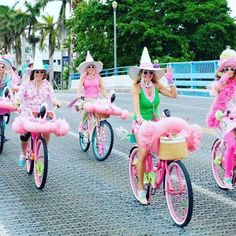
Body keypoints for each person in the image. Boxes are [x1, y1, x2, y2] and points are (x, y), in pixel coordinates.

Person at [129, 47, 177, 205]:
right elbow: (136, 107)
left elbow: (173, 95)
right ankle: (141, 188)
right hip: (141, 123)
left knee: (169, 145)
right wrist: (140, 118)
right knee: (143, 153)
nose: (148, 75)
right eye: (145, 73)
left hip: (156, 122)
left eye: (151, 73)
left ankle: (162, 170)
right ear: (140, 73)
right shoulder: (137, 88)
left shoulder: (156, 86)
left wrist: (171, 80)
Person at [17, 50, 61, 167]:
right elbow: (19, 96)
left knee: (47, 129)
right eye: (37, 72)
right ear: (33, 73)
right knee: (24, 136)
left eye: (42, 72)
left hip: (42, 112)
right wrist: (16, 101)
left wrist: (56, 102)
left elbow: (52, 96)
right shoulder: (26, 84)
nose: (39, 74)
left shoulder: (47, 84)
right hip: (28, 112)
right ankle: (23, 153)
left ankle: (43, 150)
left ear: (44, 73)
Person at [206, 47, 236, 190]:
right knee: (231, 145)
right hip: (225, 118)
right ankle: (227, 177)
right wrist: (224, 78)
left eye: (232, 68)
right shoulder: (220, 83)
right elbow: (213, 92)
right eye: (226, 68)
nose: (229, 71)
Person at [76, 51, 108, 131]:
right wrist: (79, 94)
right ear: (86, 69)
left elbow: (102, 89)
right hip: (86, 99)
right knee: (87, 107)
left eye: (93, 66)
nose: (91, 68)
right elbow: (79, 88)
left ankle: (97, 132)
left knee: (102, 111)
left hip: (96, 100)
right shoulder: (83, 77)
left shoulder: (98, 77)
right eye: (89, 67)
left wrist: (107, 97)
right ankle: (82, 123)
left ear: (95, 68)